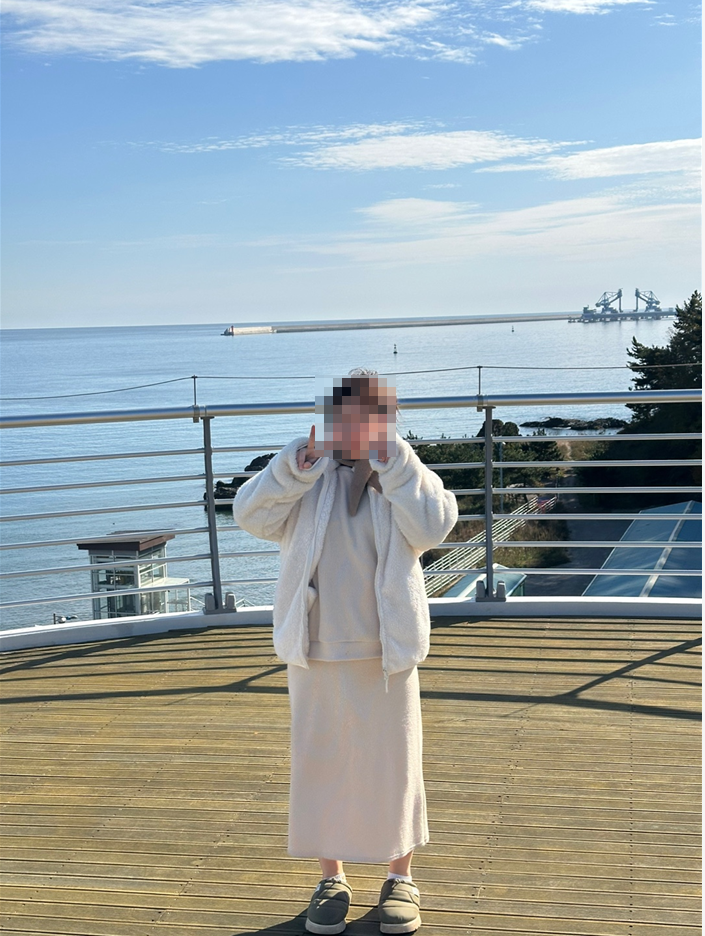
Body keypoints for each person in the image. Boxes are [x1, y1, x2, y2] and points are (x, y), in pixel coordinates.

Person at [232, 368, 458, 934]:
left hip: (387, 645)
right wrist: (296, 465)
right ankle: (330, 878)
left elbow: (435, 526)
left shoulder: (401, 467)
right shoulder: (306, 470)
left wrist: (394, 463)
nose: (356, 426)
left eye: (372, 416)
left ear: (388, 420)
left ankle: (400, 878)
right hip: (314, 645)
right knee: (321, 765)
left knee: (394, 766)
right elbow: (251, 516)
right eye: (346, 414)